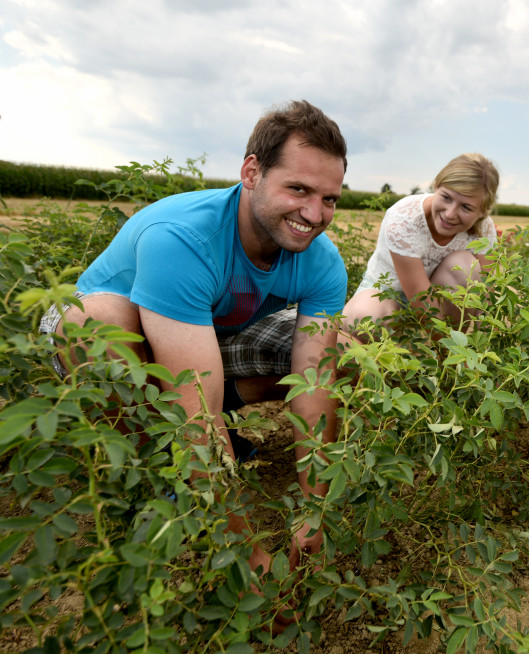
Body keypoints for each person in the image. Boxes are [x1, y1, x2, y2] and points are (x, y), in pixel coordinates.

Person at [39, 99, 348, 580]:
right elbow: (194, 409)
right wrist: (247, 550)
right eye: (299, 189)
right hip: (110, 332)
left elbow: (315, 384)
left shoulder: (322, 260)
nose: (315, 213)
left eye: (329, 198)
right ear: (251, 173)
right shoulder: (183, 237)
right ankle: (158, 466)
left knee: (341, 347)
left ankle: (215, 444)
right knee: (98, 323)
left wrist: (314, 514)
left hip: (204, 336)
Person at [342, 153, 499, 339]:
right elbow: (421, 300)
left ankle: (446, 355)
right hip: (388, 293)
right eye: (446, 197)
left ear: (482, 211)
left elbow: (487, 293)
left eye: (466, 207)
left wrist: (490, 339)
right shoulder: (404, 219)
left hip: (439, 296)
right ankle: (443, 352)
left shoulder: (483, 227)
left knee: (465, 265)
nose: (450, 214)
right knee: (364, 319)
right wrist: (453, 349)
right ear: (436, 187)